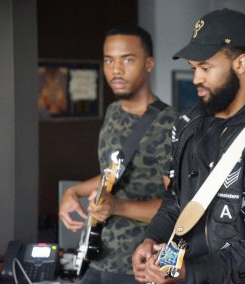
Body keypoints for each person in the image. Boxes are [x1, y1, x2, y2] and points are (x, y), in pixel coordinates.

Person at [133, 9, 245, 284]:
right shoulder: (188, 124)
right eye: (193, 69)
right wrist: (152, 238)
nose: (195, 79)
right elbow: (177, 201)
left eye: (205, 68)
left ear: (240, 63)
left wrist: (192, 273)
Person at [58, 25, 177, 284]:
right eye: (109, 60)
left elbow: (179, 207)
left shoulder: (170, 125)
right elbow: (111, 175)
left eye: (128, 60)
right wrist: (73, 192)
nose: (116, 70)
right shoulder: (113, 112)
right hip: (97, 256)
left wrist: (117, 206)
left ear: (149, 64)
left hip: (141, 267)